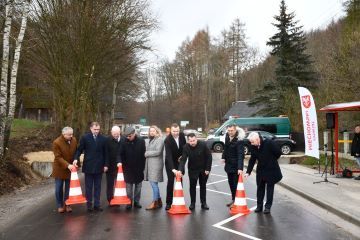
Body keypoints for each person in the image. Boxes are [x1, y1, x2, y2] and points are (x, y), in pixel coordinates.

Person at [73, 122, 108, 212]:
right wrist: (76, 158)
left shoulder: (103, 139)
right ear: (91, 129)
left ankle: (97, 204)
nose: (96, 131)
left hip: (99, 166)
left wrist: (106, 165)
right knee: (88, 187)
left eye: (98, 129)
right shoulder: (85, 137)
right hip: (88, 166)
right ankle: (89, 205)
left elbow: (106, 153)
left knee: (97, 187)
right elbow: (80, 149)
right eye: (95, 129)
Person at [244, 132, 282, 214]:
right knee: (260, 189)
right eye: (250, 142)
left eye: (252, 142)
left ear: (258, 139)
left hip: (271, 170)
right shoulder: (253, 146)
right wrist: (248, 172)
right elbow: (252, 159)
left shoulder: (269, 143)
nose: (251, 144)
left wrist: (271, 160)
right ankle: (259, 206)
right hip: (261, 170)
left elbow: (278, 153)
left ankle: (268, 207)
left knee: (269, 189)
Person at [177, 133, 212, 210]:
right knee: (192, 187)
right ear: (188, 141)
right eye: (190, 141)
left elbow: (209, 156)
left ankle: (203, 203)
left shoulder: (203, 144)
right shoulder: (186, 147)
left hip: (203, 169)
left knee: (203, 186)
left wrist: (208, 168)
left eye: (194, 140)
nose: (192, 142)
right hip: (192, 169)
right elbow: (183, 159)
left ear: (196, 139)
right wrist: (180, 169)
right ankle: (192, 203)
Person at [118, 126, 146, 209]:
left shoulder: (141, 141)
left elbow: (143, 155)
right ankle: (129, 202)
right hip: (128, 168)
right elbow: (119, 153)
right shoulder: (123, 141)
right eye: (127, 136)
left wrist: (142, 167)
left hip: (138, 167)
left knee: (138, 187)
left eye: (129, 136)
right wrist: (119, 162)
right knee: (129, 188)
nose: (128, 137)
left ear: (134, 134)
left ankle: (137, 201)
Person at [51, 126, 78, 213]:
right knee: (58, 188)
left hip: (70, 169)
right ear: (63, 134)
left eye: (72, 134)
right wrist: (67, 165)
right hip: (60, 169)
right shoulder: (57, 142)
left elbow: (75, 152)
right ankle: (59, 205)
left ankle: (67, 204)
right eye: (69, 134)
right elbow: (58, 157)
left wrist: (76, 162)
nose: (71, 136)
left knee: (68, 188)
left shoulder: (74, 140)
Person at [220, 125, 245, 208]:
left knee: (235, 184)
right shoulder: (227, 136)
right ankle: (233, 199)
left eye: (232, 130)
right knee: (231, 184)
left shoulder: (239, 140)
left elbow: (241, 155)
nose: (230, 132)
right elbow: (225, 148)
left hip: (235, 167)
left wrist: (240, 168)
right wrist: (223, 157)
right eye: (229, 130)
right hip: (228, 165)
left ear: (235, 130)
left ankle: (237, 201)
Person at [164, 123, 187, 210]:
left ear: (179, 130)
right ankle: (168, 203)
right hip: (170, 163)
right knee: (170, 182)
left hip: (180, 161)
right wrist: (173, 169)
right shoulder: (167, 140)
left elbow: (185, 147)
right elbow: (168, 156)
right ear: (170, 130)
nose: (176, 133)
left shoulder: (181, 135)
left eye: (177, 131)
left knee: (180, 181)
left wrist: (183, 156)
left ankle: (179, 200)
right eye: (174, 131)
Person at [144, 125, 165, 210]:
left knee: (153, 183)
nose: (152, 132)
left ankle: (155, 202)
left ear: (157, 131)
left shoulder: (159, 139)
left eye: (153, 131)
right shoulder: (152, 139)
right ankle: (159, 201)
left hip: (156, 165)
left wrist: (147, 153)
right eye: (150, 131)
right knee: (154, 183)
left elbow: (158, 151)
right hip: (152, 164)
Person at [105, 126, 124, 205]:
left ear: (120, 132)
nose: (116, 135)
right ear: (111, 133)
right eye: (114, 134)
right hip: (110, 166)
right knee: (110, 184)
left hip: (120, 166)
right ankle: (110, 200)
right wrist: (106, 165)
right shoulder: (107, 140)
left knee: (119, 184)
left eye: (117, 133)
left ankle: (118, 198)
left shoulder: (123, 140)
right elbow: (106, 154)